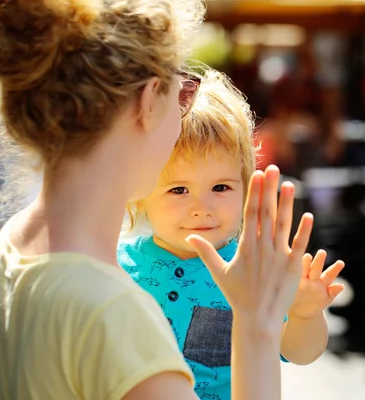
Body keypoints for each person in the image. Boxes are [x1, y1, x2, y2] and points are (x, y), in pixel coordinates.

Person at [0, 0, 315, 399]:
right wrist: (255, 321)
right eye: (183, 91)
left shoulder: (13, 244)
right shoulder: (116, 314)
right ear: (150, 100)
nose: (184, 111)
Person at [119, 70, 345, 399]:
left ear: (246, 190)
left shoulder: (253, 270)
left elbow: (300, 352)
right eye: (179, 189)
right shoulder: (119, 267)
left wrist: (303, 313)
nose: (202, 207)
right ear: (141, 192)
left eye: (220, 187)